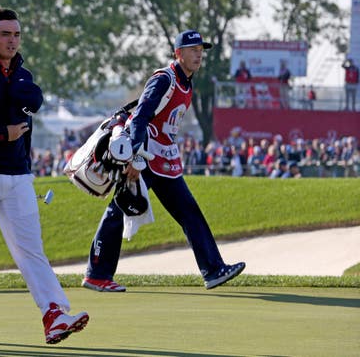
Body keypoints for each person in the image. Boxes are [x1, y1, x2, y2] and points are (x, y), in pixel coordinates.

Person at [0, 8, 89, 345]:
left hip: (18, 175)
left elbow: (32, 106)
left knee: (31, 250)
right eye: (5, 33)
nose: (12, 40)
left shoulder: (23, 75)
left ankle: (54, 315)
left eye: (17, 34)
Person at [82, 29, 245, 292]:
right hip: (144, 155)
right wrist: (135, 158)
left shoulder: (186, 81)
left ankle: (213, 269)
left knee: (189, 211)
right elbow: (141, 116)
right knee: (119, 209)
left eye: (201, 50)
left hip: (163, 157)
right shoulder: (164, 79)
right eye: (193, 50)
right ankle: (97, 274)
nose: (198, 55)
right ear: (178, 53)